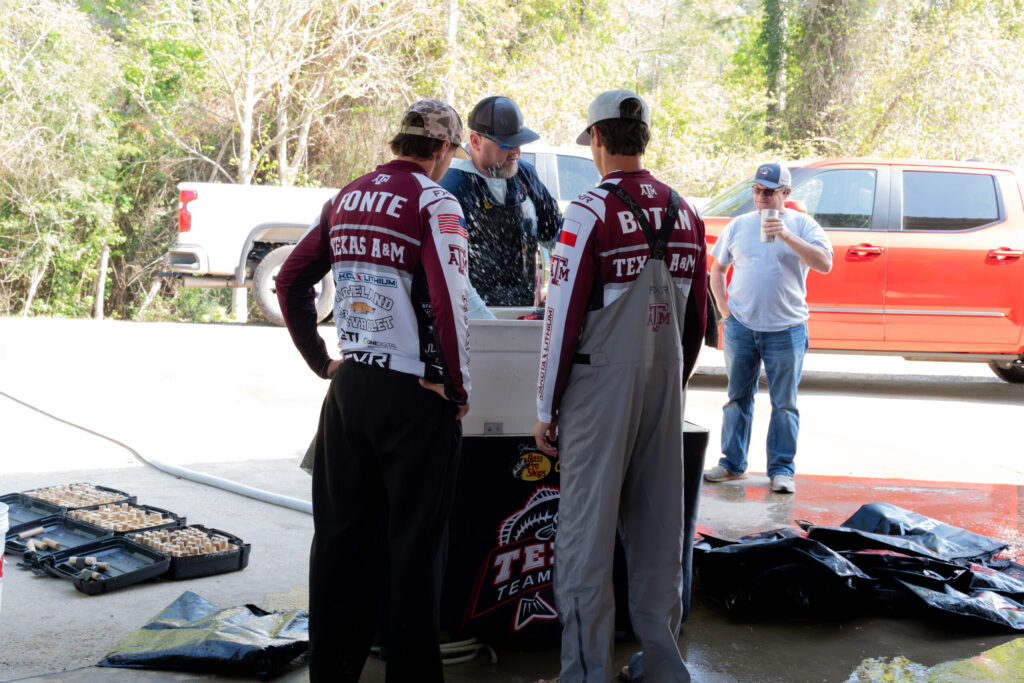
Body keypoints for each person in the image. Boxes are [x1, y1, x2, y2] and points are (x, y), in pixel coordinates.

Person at [275, 99, 471, 682]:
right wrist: (456, 387)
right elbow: (448, 304)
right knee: (414, 550)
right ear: (440, 149)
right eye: (451, 152)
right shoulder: (435, 203)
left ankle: (333, 673)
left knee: (338, 542)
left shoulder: (347, 198)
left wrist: (322, 361)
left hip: (350, 390)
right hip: (414, 395)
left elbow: (290, 279)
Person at [533, 89, 707, 683]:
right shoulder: (687, 213)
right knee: (661, 526)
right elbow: (697, 325)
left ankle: (585, 672)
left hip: (598, 390)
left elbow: (560, 318)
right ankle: (661, 662)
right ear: (645, 139)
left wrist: (544, 406)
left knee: (585, 533)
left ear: (598, 140)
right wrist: (670, 388)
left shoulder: (587, 213)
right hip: (666, 387)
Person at [703, 162, 833, 494]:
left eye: (770, 192)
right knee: (737, 397)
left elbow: (825, 264)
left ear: (786, 194)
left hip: (787, 327)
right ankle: (732, 464)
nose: (761, 197)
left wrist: (785, 234)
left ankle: (781, 470)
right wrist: (724, 310)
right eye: (758, 190)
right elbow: (717, 269)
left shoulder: (803, 225)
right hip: (741, 326)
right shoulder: (739, 225)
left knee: (784, 402)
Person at [441, 95, 561, 307]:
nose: (516, 152)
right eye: (506, 145)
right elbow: (444, 268)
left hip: (523, 308)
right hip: (473, 314)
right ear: (475, 141)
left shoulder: (525, 175)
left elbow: (555, 231)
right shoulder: (453, 186)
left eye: (518, 144)